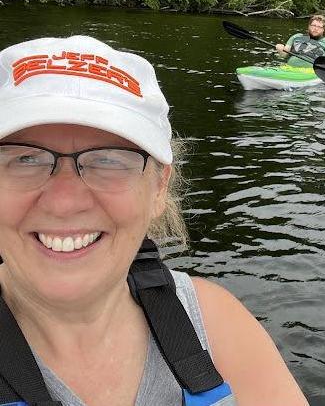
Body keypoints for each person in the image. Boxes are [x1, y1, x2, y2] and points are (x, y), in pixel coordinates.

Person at [0, 35, 308, 406]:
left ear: (159, 187)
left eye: (109, 160)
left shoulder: (216, 326)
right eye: (24, 159)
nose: (65, 202)